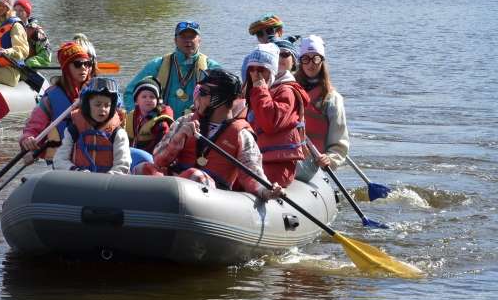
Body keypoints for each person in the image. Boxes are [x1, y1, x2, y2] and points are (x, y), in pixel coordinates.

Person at [136, 69, 277, 198]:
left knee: (195, 176)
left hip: (212, 195)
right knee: (144, 168)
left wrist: (266, 190)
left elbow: (252, 173)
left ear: (219, 98)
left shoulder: (242, 134)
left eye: (203, 93)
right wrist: (178, 138)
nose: (198, 98)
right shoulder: (184, 121)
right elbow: (159, 160)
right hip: (176, 186)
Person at [241, 42, 309, 193]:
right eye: (252, 69)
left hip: (276, 167)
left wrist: (260, 88)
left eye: (261, 70)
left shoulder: (287, 91)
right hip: (252, 161)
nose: (255, 74)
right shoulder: (251, 92)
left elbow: (270, 122)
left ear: (271, 71)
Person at [124, 21, 221, 116]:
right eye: (183, 36)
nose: (188, 40)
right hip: (162, 126)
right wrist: (139, 117)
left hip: (197, 124)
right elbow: (129, 92)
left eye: (192, 36)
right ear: (175, 40)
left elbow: (227, 96)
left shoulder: (211, 67)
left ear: (199, 40)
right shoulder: (157, 64)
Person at [19, 41, 97, 156]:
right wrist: (27, 138)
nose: (84, 68)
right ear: (66, 68)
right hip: (63, 159)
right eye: (78, 64)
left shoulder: (97, 90)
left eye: (87, 64)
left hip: (92, 154)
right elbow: (34, 125)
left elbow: (115, 112)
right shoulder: (52, 97)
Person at [292, 35, 349, 181]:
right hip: (285, 152)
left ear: (322, 61)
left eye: (316, 58)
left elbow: (339, 142)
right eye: (306, 59)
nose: (311, 64)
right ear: (300, 62)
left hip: (309, 161)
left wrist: (330, 158)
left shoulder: (332, 99)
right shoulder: (288, 88)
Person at [52, 77, 131, 174]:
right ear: (87, 105)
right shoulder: (73, 130)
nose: (102, 109)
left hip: (108, 184)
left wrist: (107, 179)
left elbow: (123, 164)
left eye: (107, 105)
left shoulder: (118, 133)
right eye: (97, 105)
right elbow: (59, 160)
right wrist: (76, 171)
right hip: (79, 180)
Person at [125, 77, 174, 154]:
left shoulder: (161, 122)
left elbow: (164, 145)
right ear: (136, 101)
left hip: (152, 157)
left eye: (152, 97)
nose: (148, 99)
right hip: (132, 154)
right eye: (144, 97)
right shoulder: (131, 116)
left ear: (157, 101)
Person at [13, 0, 52, 67]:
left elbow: (46, 56)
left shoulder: (36, 32)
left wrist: (28, 63)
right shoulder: (8, 28)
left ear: (27, 14)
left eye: (21, 11)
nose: (17, 14)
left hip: (28, 70)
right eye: (15, 10)